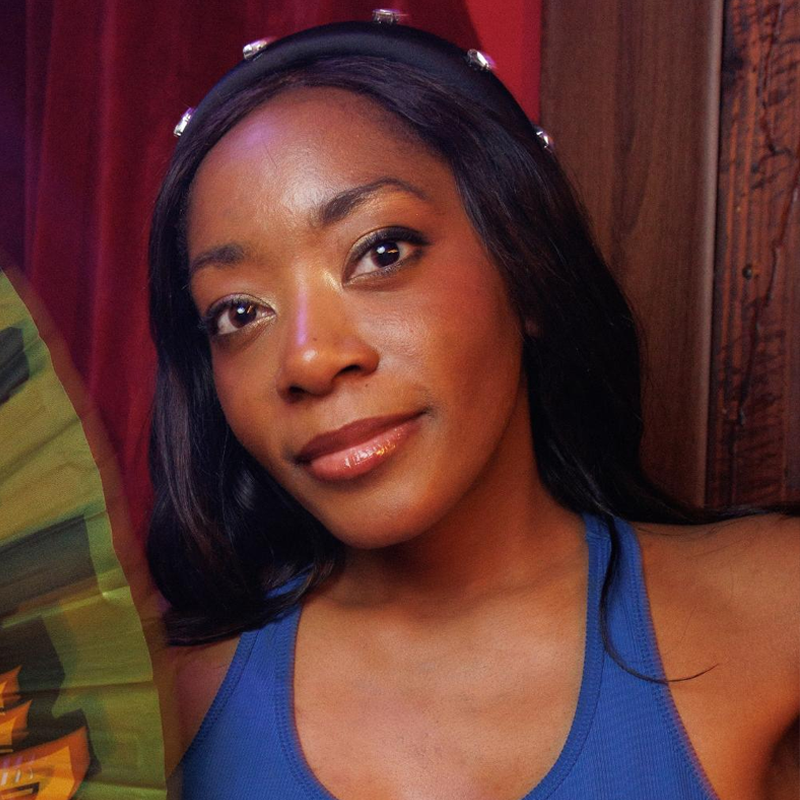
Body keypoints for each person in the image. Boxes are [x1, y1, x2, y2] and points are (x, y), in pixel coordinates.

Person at [146, 15, 799, 800]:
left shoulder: (774, 610)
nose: (309, 359)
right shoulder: (164, 700)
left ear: (523, 263)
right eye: (239, 313)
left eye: (381, 251)